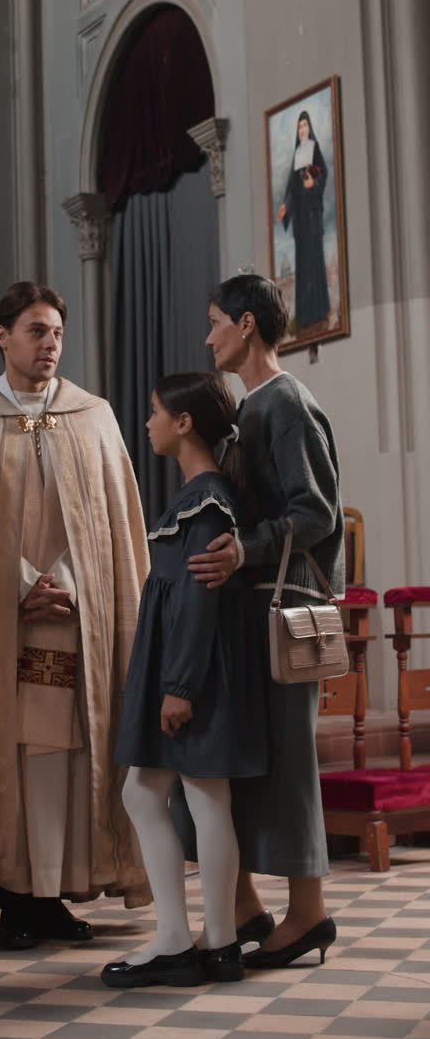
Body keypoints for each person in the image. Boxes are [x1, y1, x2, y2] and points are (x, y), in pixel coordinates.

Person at [0, 281, 150, 948]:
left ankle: (55, 893)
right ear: (2, 336)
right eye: (37, 331)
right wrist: (19, 586)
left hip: (78, 617)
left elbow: (110, 525)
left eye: (58, 334)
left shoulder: (92, 417)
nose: (50, 345)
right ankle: (17, 897)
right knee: (11, 753)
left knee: (69, 759)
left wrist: (65, 580)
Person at [187, 273, 343, 969]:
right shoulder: (250, 409)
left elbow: (317, 514)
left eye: (217, 321)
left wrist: (245, 547)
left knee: (290, 764)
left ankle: (309, 913)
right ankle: (247, 906)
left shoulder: (286, 404)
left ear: (247, 324)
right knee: (245, 761)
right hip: (252, 608)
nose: (209, 334)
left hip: (287, 611)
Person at [101, 373, 267, 989]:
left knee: (150, 794)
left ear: (185, 422)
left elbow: (199, 603)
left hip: (187, 672)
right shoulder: (205, 497)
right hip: (184, 669)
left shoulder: (206, 501)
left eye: (153, 412)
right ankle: (218, 944)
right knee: (196, 795)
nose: (148, 424)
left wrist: (181, 686)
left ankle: (179, 940)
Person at [276, 109, 330, 333]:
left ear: (310, 128)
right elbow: (291, 187)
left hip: (312, 215)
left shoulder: (313, 149)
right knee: (303, 263)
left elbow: (323, 174)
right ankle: (305, 315)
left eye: (305, 126)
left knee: (315, 260)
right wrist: (285, 206)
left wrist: (313, 185)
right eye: (300, 126)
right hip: (300, 219)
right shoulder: (297, 153)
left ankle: (319, 309)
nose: (302, 130)